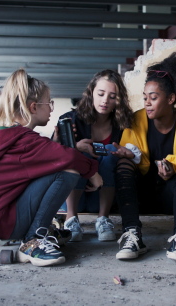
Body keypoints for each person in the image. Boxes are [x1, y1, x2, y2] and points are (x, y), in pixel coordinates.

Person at [0, 69, 102, 267]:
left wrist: (55, 144)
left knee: (58, 166)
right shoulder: (25, 141)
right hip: (5, 223)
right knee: (68, 172)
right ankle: (33, 239)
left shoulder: (6, 136)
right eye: (49, 103)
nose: (51, 109)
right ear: (33, 107)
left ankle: (40, 231)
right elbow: (69, 158)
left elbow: (38, 162)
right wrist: (94, 173)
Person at [114, 50, 176, 266]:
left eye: (153, 97)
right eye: (145, 98)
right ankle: (132, 235)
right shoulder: (136, 120)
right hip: (139, 196)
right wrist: (128, 155)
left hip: (173, 196)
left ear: (171, 99)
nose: (147, 103)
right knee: (123, 164)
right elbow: (131, 156)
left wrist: (173, 164)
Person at [56, 70, 135, 242]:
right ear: (91, 92)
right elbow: (51, 158)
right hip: (71, 197)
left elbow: (135, 154)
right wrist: (75, 148)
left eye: (112, 96)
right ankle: (71, 220)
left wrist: (126, 154)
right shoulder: (70, 120)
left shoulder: (123, 124)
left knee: (109, 150)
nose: (105, 100)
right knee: (79, 152)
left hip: (101, 195)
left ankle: (103, 219)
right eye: (100, 94)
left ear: (119, 99)